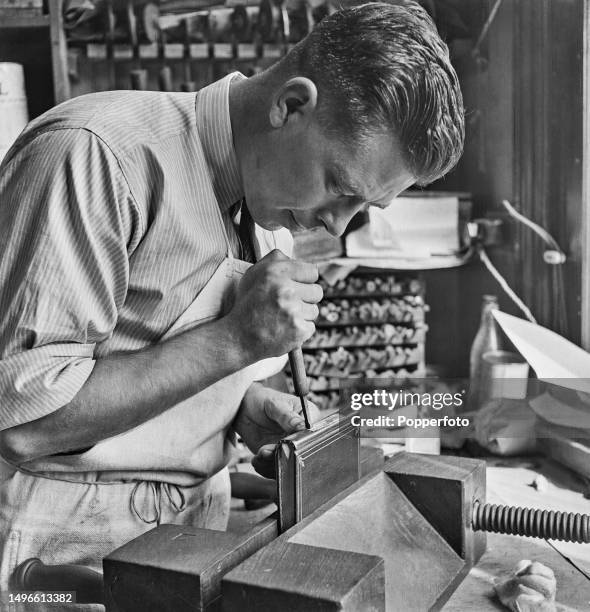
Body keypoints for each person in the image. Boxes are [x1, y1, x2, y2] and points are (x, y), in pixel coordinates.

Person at [0, 1, 464, 605]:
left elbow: (147, 357)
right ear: (292, 105)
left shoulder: (269, 208)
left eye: (364, 210)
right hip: (54, 564)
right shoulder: (97, 155)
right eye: (341, 187)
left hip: (189, 547)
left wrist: (238, 408)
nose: (336, 225)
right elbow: (23, 420)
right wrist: (234, 340)